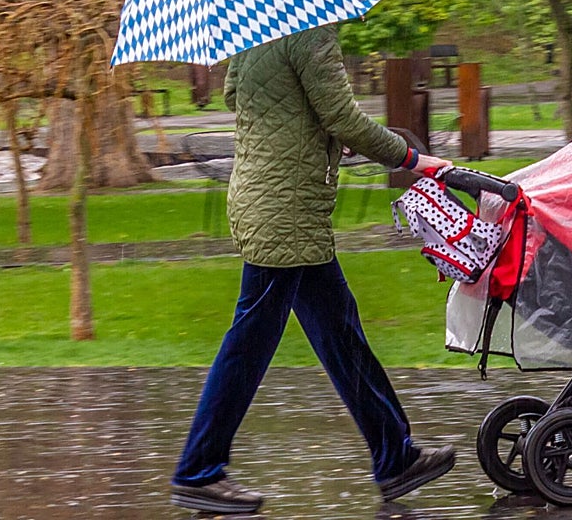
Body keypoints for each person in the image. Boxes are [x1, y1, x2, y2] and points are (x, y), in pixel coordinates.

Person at [169, 26, 455, 515]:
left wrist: (319, 135)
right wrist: (414, 159)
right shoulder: (310, 35)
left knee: (340, 332)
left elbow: (254, 102)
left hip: (266, 201)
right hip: (287, 212)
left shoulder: (255, 34)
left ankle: (396, 457)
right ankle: (199, 471)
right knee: (250, 341)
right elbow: (342, 116)